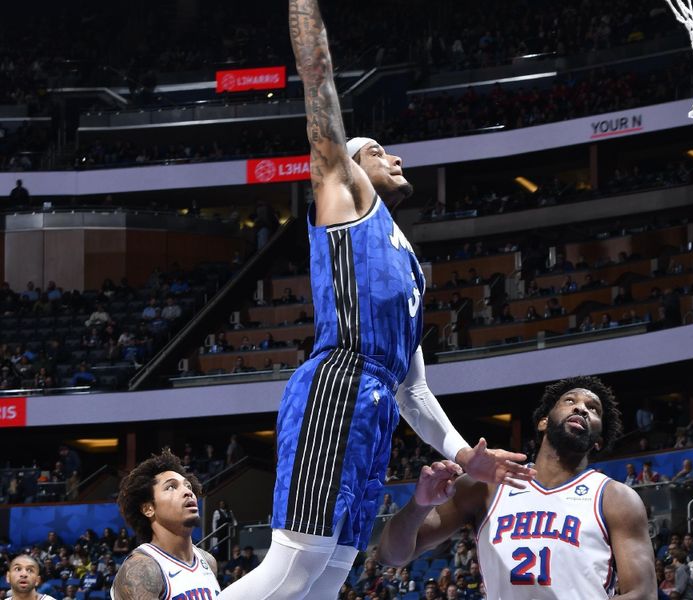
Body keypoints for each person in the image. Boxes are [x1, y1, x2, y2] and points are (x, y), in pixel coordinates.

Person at [217, 2, 533, 599]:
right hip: (338, 382)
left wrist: (466, 456)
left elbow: (414, 390)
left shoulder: (409, 263)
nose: (397, 157)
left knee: (331, 572)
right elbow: (318, 77)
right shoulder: (345, 195)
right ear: (350, 164)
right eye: (380, 150)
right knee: (295, 564)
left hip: (379, 401)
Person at [377, 376, 657, 599]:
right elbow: (391, 555)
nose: (581, 408)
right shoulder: (484, 487)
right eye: (570, 400)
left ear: (598, 440)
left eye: (593, 409)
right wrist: (419, 505)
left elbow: (642, 594)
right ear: (543, 421)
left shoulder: (615, 498)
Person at [110, 449, 220, 599]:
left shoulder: (208, 561)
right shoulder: (142, 569)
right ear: (148, 509)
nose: (188, 492)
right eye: (171, 487)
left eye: (188, 486)